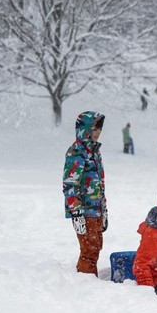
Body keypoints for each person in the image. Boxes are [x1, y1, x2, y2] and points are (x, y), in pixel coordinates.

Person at [63, 111, 108, 276]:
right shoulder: (77, 152)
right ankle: (86, 282)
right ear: (85, 129)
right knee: (89, 249)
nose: (98, 133)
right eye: (95, 128)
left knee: (96, 246)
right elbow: (70, 184)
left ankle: (86, 278)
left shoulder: (94, 152)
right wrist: (76, 213)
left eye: (99, 129)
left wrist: (104, 209)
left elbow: (100, 183)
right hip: (84, 209)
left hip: (96, 208)